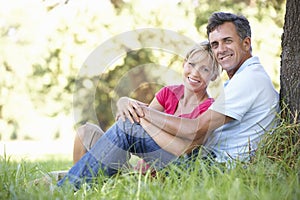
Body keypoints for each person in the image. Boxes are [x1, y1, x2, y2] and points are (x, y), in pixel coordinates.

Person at [57, 41, 220, 189]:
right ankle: (81, 187)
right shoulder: (168, 93)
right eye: (192, 64)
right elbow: (133, 122)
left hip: (163, 176)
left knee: (129, 127)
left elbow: (182, 149)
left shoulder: (209, 108)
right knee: (86, 132)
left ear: (214, 76)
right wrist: (124, 101)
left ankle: (64, 187)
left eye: (205, 69)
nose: (195, 73)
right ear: (184, 64)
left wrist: (145, 121)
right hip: (136, 172)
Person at [139, 12, 279, 164]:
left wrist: (143, 114)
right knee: (130, 125)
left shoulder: (249, 79)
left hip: (215, 166)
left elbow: (195, 129)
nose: (221, 50)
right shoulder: (242, 78)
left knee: (127, 129)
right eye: (215, 44)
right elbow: (195, 139)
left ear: (246, 43)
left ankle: (108, 182)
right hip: (206, 159)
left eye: (227, 41)